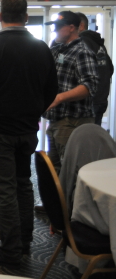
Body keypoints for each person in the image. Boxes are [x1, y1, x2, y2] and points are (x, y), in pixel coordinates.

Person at [0, 0, 58, 267]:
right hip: (28, 130)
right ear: (26, 17)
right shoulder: (42, 48)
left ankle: (11, 252)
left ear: (0, 16)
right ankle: (26, 243)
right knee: (23, 185)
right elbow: (51, 90)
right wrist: (35, 114)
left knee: (3, 191)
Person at [42, 11, 99, 176]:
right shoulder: (59, 49)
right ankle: (57, 202)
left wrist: (59, 98)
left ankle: (71, 202)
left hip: (72, 121)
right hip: (56, 121)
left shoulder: (82, 52)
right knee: (54, 170)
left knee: (70, 171)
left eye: (59, 27)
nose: (55, 31)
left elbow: (90, 86)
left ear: (72, 28)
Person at [75, 12, 113, 126]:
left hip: (89, 101)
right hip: (101, 99)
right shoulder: (99, 45)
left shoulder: (82, 43)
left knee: (83, 140)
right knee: (93, 138)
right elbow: (110, 69)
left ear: (81, 26)